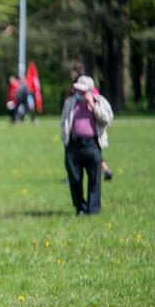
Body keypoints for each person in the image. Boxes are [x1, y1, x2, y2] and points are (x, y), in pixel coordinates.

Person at [61, 75, 113, 215]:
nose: (80, 94)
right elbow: (64, 122)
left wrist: (93, 105)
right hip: (73, 145)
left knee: (94, 178)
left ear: (90, 91)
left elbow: (107, 120)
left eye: (83, 92)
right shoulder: (70, 103)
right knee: (74, 178)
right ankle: (80, 207)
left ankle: (93, 209)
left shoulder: (100, 102)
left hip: (92, 144)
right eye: (79, 91)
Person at [67, 64, 113, 180]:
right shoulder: (79, 86)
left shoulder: (85, 87)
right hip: (79, 133)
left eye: (72, 72)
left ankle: (105, 170)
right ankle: (105, 170)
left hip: (91, 130)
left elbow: (97, 102)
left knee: (92, 155)